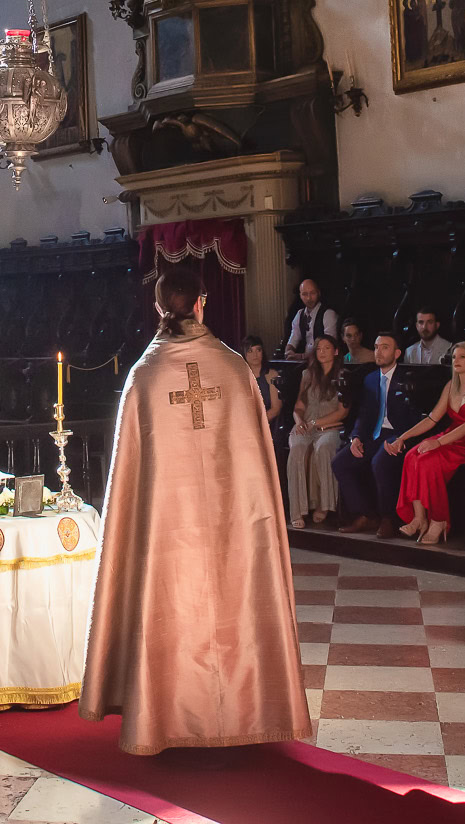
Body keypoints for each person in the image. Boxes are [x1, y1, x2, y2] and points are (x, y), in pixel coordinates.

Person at [81, 266, 311, 755]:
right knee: (236, 597)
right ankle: (247, 709)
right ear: (202, 303)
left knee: (169, 600)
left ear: (159, 309)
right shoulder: (232, 369)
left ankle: (163, 713)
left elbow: (128, 481)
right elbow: (258, 469)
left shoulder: (146, 375)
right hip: (234, 524)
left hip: (167, 532)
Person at [333, 333, 429, 536]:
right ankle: (366, 514)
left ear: (397, 353)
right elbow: (364, 414)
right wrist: (356, 437)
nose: (378, 351)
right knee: (340, 462)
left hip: (398, 434)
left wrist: (402, 439)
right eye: (376, 347)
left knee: (380, 462)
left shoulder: (407, 380)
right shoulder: (369, 379)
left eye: (385, 347)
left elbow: (416, 419)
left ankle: (388, 518)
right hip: (373, 434)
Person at [391, 341, 465, 544]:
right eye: (454, 357)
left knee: (428, 462)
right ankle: (419, 518)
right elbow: (432, 418)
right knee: (411, 456)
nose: (456, 361)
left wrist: (438, 443)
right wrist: (403, 437)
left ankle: (439, 520)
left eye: (462, 357)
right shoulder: (451, 386)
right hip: (450, 435)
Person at [287, 334, 348, 527]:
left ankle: (324, 504)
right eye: (319, 348)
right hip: (306, 424)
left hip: (330, 426)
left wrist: (317, 422)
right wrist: (298, 421)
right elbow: (299, 405)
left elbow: (343, 411)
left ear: (336, 351)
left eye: (326, 348)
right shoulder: (307, 375)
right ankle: (297, 511)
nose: (322, 352)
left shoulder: (342, 376)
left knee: (324, 448)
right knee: (297, 449)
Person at [284, 278, 338, 357]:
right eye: (305, 294)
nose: (309, 298)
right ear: (300, 296)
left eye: (312, 293)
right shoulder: (300, 314)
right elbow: (293, 338)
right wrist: (288, 352)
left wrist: (301, 356)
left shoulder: (328, 314)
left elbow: (329, 346)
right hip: (305, 364)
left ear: (318, 293)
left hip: (324, 362)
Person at [245, 336, 281, 427]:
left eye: (258, 350)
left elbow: (276, 409)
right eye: (250, 351)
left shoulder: (271, 374)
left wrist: (257, 423)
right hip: (246, 422)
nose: (255, 355)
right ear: (244, 354)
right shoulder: (240, 376)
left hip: (267, 421)